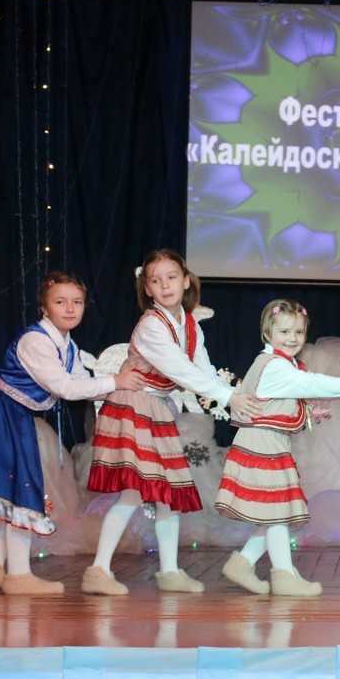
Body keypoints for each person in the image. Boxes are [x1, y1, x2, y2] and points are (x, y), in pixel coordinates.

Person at [0, 271, 144, 594]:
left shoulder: (68, 345)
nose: (70, 308)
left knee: (13, 487)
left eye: (77, 302)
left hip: (13, 414)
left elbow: (82, 384)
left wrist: (117, 385)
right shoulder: (36, 341)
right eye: (60, 302)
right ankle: (19, 575)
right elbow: (65, 388)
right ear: (44, 307)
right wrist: (115, 382)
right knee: (19, 490)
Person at [81, 249, 261, 595]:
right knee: (134, 493)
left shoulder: (189, 324)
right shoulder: (152, 325)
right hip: (135, 406)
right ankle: (98, 570)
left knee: (165, 495)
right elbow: (181, 371)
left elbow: (203, 369)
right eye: (156, 280)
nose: (165, 286)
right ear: (147, 289)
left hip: (158, 408)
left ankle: (169, 571)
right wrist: (228, 398)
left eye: (172, 277)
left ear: (186, 280)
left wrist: (233, 401)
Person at [215, 298, 340, 596]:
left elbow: (279, 402)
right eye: (284, 332)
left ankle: (243, 563)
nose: (292, 338)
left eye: (299, 332)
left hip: (268, 443)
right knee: (278, 513)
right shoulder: (274, 366)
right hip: (261, 446)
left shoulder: (280, 364)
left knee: (274, 513)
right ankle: (283, 575)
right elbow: (310, 382)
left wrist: (308, 413)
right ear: (267, 333)